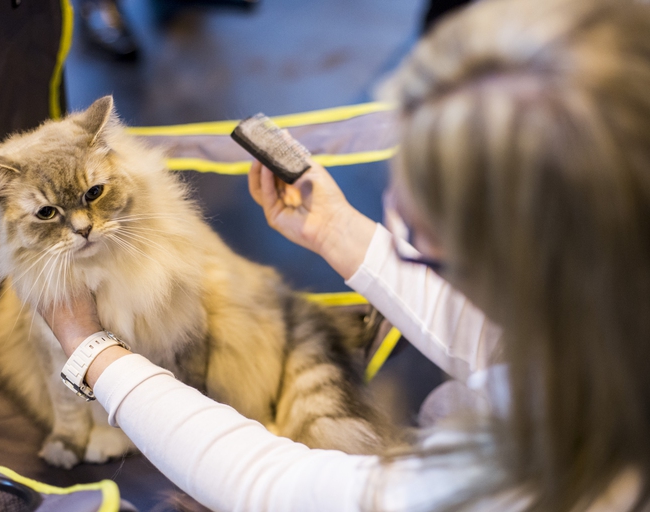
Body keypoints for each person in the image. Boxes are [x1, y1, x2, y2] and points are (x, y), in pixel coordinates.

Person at [42, 0, 650, 509]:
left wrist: (93, 352)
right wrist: (338, 230)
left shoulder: (522, 479)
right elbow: (509, 348)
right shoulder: (611, 315)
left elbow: (278, 486)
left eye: (425, 249)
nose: (397, 223)